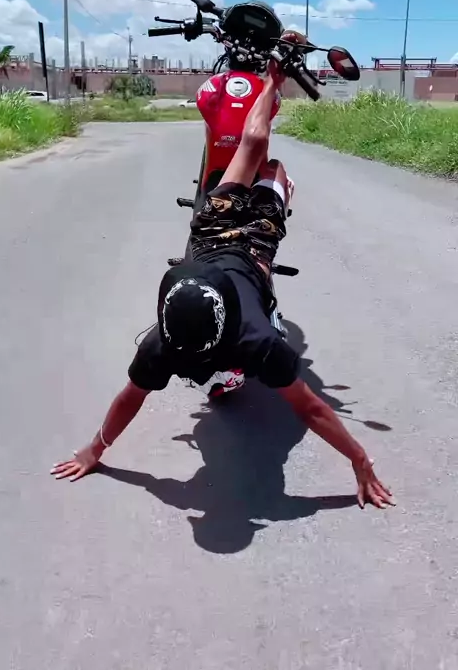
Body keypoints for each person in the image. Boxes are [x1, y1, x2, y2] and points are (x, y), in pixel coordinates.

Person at [51, 38, 394, 510]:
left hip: (227, 234)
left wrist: (96, 448)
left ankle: (271, 92)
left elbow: (133, 396)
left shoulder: (188, 344)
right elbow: (311, 408)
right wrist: (360, 460)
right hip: (237, 237)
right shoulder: (237, 342)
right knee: (267, 161)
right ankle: (273, 93)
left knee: (259, 154)